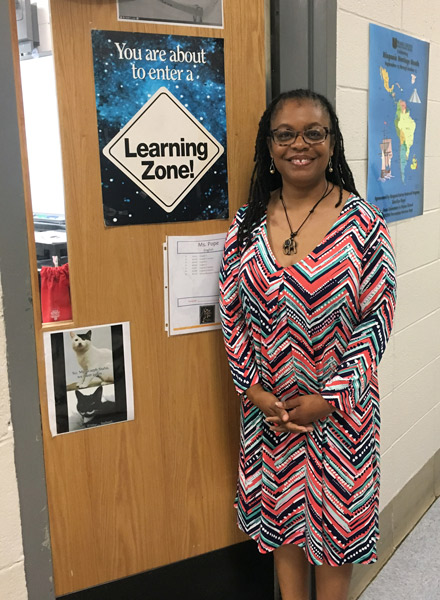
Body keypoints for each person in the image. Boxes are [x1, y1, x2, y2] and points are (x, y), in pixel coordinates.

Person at [219, 89, 396, 600]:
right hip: (269, 413)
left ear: (332, 141)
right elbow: (232, 316)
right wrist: (252, 389)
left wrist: (329, 399)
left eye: (314, 132)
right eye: (285, 134)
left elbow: (374, 324)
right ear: (269, 145)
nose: (300, 144)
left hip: (340, 417)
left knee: (336, 540)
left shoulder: (364, 225)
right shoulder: (245, 225)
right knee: (283, 532)